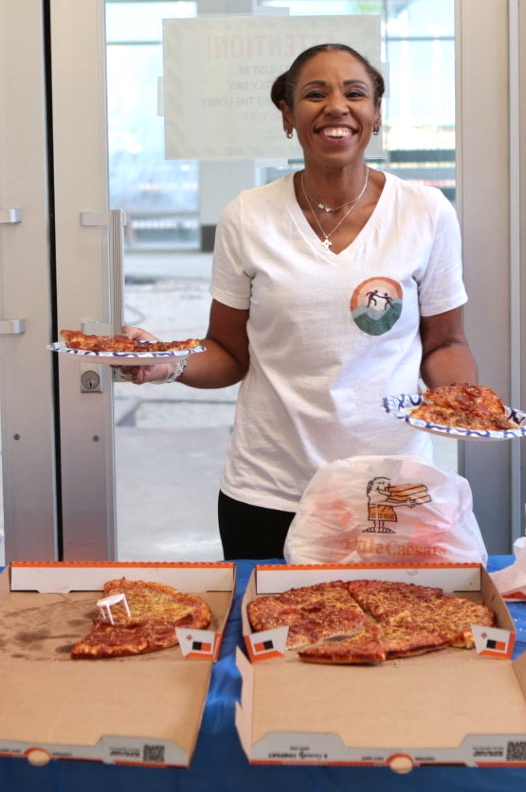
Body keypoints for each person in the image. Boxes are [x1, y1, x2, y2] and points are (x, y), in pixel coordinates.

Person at [120, 43, 479, 559]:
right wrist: (166, 362)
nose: (336, 106)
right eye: (315, 94)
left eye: (355, 93)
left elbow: (445, 343)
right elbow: (228, 351)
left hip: (389, 489)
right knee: (273, 635)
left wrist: (467, 404)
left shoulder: (424, 212)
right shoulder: (248, 216)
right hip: (268, 491)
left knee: (399, 632)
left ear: (376, 115)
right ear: (288, 115)